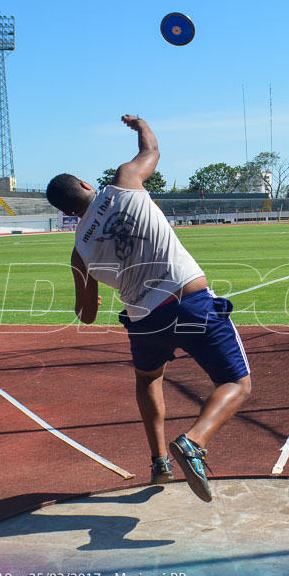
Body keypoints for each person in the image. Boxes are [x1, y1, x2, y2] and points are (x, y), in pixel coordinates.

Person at [45, 115, 252, 503]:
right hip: (187, 302)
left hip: (144, 323)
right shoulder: (124, 180)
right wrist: (140, 123)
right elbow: (151, 150)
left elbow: (86, 315)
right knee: (237, 384)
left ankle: (159, 462)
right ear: (87, 185)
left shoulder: (79, 252)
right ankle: (194, 442)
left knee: (148, 379)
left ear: (68, 212)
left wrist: (91, 296)